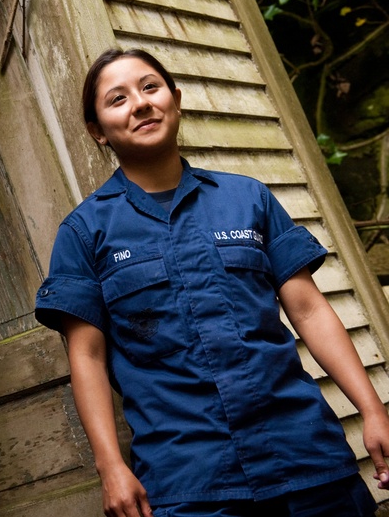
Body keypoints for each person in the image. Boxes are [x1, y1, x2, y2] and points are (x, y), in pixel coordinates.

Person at [34, 48, 389, 517]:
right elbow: (88, 356)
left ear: (175, 100)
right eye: (117, 99)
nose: (140, 104)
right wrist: (111, 467)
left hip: (306, 459)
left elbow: (308, 310)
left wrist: (373, 411)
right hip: (192, 481)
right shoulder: (85, 233)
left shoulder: (248, 199)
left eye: (149, 87)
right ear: (97, 131)